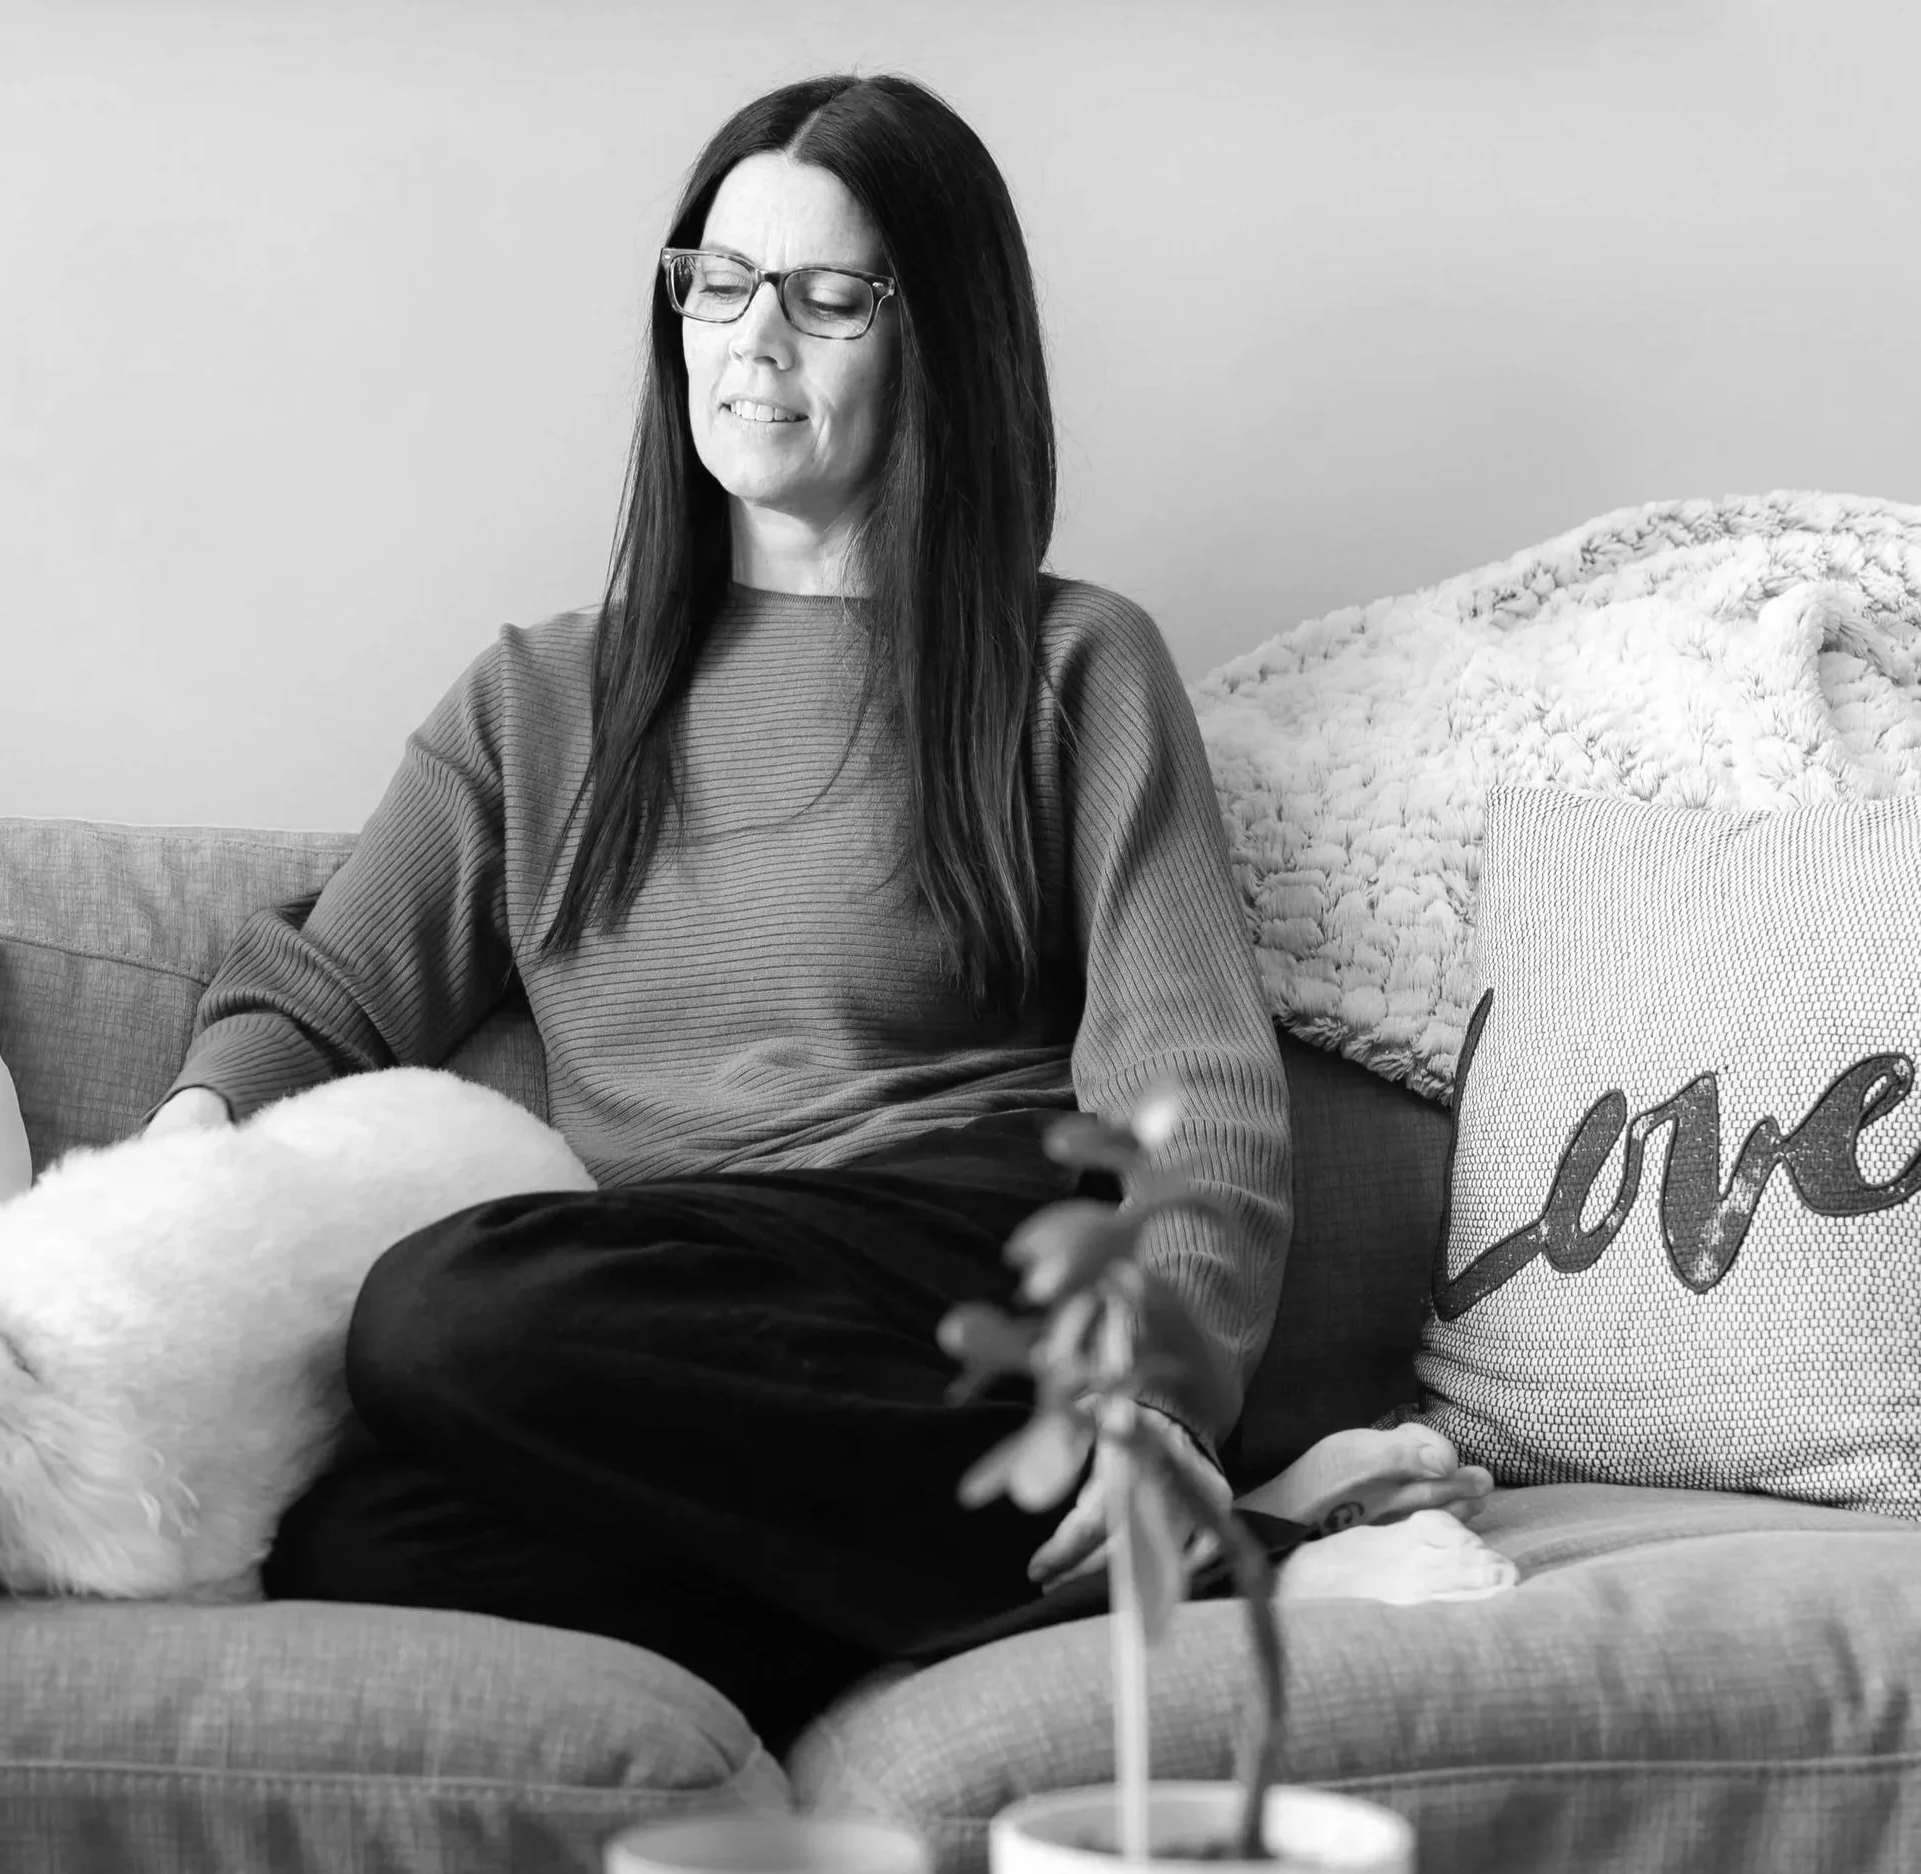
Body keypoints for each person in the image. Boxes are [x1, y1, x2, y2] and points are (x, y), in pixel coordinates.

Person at [146, 73, 1504, 1744]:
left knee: (441, 1310)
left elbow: (1184, 1082)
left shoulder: (1070, 662)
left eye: (826, 296)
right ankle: (1227, 1548)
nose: (751, 340)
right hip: (711, 1325)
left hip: (964, 1251)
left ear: (938, 338)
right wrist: (193, 1131)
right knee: (357, 1534)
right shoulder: (541, 698)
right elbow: (324, 988)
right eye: (717, 283)